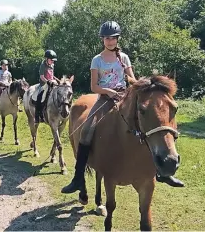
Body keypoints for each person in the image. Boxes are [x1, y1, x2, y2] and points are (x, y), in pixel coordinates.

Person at [61, 21, 184, 194]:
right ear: (102, 39)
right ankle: (78, 178)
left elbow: (131, 79)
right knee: (87, 129)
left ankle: (162, 171)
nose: (110, 41)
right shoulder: (97, 60)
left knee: (148, 126)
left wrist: (142, 85)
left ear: (117, 39)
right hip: (104, 98)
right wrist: (108, 92)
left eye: (113, 38)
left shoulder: (123, 57)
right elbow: (94, 87)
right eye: (107, 38)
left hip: (125, 96)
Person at [35, 49, 60, 123]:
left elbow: (52, 75)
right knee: (39, 97)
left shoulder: (52, 65)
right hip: (44, 84)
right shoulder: (43, 65)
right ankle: (37, 116)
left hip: (52, 83)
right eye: (51, 60)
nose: (53, 61)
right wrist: (47, 82)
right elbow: (42, 77)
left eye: (53, 60)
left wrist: (58, 80)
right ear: (46, 59)